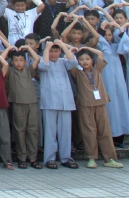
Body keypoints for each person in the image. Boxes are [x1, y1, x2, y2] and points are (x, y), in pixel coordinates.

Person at [70, 47, 123, 168]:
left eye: (87, 59)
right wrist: (73, 52)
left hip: (100, 103)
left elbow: (100, 53)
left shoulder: (97, 70)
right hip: (86, 105)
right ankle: (91, 158)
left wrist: (86, 48)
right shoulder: (77, 72)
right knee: (89, 131)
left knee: (104, 131)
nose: (85, 62)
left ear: (92, 61)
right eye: (81, 59)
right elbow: (70, 60)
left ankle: (109, 158)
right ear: (78, 61)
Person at [38, 39, 79, 169]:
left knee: (65, 130)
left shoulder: (63, 62)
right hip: (50, 101)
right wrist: (46, 48)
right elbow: (43, 66)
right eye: (51, 51)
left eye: (56, 51)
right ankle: (50, 158)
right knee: (50, 131)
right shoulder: (42, 60)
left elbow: (74, 62)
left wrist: (62, 45)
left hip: (65, 100)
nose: (53, 54)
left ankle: (66, 158)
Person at [6, 47, 41, 169]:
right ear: (12, 62)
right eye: (15, 60)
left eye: (21, 60)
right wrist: (10, 50)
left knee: (33, 131)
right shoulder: (10, 71)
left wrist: (29, 49)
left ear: (25, 61)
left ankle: (33, 158)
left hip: (32, 103)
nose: (18, 63)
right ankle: (22, 157)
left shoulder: (28, 70)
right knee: (20, 131)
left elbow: (37, 59)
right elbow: (3, 63)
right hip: (17, 103)